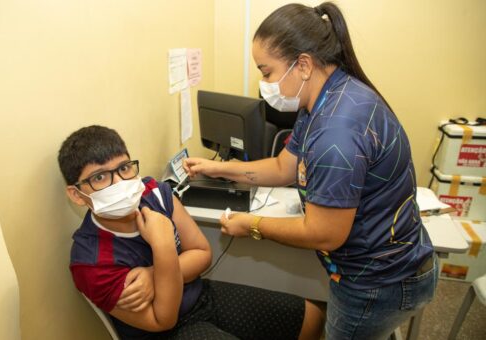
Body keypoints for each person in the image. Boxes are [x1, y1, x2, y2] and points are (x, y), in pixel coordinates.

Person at [183, 2, 437, 339]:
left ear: (302, 64)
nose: (264, 83)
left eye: (267, 71)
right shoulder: (324, 98)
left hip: (378, 282)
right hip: (382, 269)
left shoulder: (336, 132)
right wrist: (221, 169)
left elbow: (325, 233)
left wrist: (252, 225)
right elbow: (283, 166)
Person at [57, 125, 324, 340]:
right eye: (100, 177)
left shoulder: (154, 193)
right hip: (164, 331)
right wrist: (162, 246)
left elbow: (202, 253)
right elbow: (163, 320)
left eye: (124, 168)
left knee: (311, 317)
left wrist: (153, 276)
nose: (120, 183)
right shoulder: (90, 261)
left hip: (199, 295)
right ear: (77, 195)